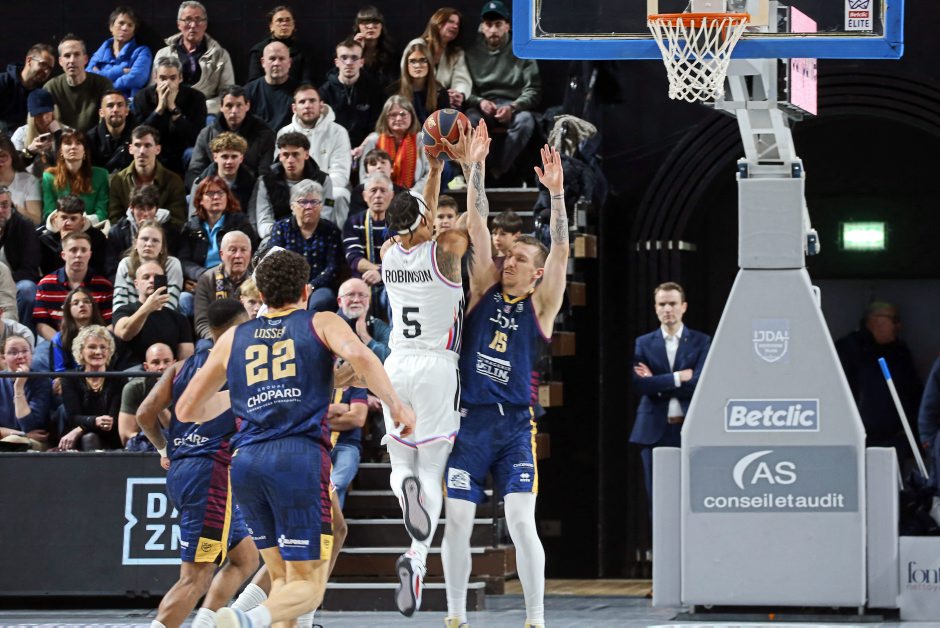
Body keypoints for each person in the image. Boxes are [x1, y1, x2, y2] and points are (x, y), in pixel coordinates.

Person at [175, 249, 415, 628]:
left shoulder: (235, 336)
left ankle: (252, 617)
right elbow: (362, 356)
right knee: (308, 587)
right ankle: (244, 619)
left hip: (247, 463)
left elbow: (188, 410)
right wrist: (397, 406)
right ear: (306, 290)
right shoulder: (321, 321)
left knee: (283, 579)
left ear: (261, 295)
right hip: (297, 458)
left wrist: (253, 391)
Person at [441, 132, 569, 628]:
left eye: (519, 259)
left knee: (520, 520)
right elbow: (476, 222)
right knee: (458, 521)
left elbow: (560, 248)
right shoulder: (482, 287)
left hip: (516, 427)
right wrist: (475, 168)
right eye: (509, 255)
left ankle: (536, 618)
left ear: (536, 274)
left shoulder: (542, 305)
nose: (509, 260)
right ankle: (455, 616)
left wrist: (556, 195)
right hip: (470, 425)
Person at [375, 144, 470, 616]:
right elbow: (467, 222)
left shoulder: (387, 252)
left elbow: (420, 214)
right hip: (436, 365)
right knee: (432, 471)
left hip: (396, 366)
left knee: (401, 463)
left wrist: (433, 170)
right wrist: (469, 166)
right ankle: (416, 557)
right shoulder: (448, 251)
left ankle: (414, 547)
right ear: (423, 223)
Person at [136, 299, 259, 628]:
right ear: (239, 328)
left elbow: (144, 414)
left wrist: (164, 448)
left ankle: (205, 624)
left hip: (181, 470)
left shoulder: (181, 367)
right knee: (196, 576)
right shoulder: (244, 366)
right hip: (211, 473)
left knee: (246, 557)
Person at [630, 282, 711, 503]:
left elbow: (698, 385)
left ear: (683, 306)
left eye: (673, 303)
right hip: (653, 429)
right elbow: (640, 385)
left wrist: (656, 382)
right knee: (657, 498)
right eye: (662, 304)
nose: (667, 309)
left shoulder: (701, 341)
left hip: (689, 427)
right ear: (655, 308)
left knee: (692, 497)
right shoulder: (643, 343)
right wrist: (677, 377)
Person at [464, 0, 541, 182]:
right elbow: (466, 89)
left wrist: (513, 107)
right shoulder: (471, 54)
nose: (493, 30)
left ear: (507, 26)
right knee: (469, 121)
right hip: (484, 105)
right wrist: (480, 102)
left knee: (526, 121)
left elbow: (534, 89)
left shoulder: (521, 51)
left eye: (498, 24)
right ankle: (483, 169)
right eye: (488, 24)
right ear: (482, 27)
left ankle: (499, 169)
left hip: (514, 105)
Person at [836, 301, 922, 453]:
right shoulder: (848, 349)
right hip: (858, 440)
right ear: (876, 320)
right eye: (894, 320)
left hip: (895, 440)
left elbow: (914, 393)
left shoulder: (899, 352)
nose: (898, 326)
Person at [276, 85, 352, 227]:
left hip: (327, 192)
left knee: (339, 194)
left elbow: (341, 174)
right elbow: (279, 169)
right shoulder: (284, 133)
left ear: (321, 105)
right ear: (294, 108)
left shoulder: (338, 132)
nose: (307, 106)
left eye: (312, 101)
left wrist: (314, 193)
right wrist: (302, 193)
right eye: (302, 102)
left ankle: (338, 237)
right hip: (294, 191)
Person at [268, 180, 343, 313]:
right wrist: (294, 286)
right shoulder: (281, 228)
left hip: (320, 287)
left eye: (314, 202)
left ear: (321, 206)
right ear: (292, 206)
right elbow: (275, 261)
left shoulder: (330, 230)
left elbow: (333, 267)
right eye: (303, 202)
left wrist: (312, 286)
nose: (309, 206)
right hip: (287, 286)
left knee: (321, 302)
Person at [153, 1, 235, 116]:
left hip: (206, 112)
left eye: (198, 20)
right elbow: (152, 89)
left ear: (205, 24)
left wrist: (199, 107)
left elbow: (227, 94)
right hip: (169, 109)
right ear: (179, 24)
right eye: (187, 20)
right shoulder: (163, 54)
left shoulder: (220, 55)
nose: (192, 25)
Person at [186, 85, 275, 190]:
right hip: (212, 189)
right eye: (229, 105)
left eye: (239, 105)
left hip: (249, 190)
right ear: (221, 107)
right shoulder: (207, 134)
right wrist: (203, 190)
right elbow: (195, 169)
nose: (234, 111)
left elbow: (264, 173)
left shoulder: (264, 133)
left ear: (247, 106)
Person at [112, 261, 194, 370]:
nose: (151, 280)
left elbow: (186, 360)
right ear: (136, 284)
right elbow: (124, 333)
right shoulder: (124, 310)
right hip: (132, 373)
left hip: (167, 372)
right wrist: (147, 307)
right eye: (146, 277)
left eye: (156, 277)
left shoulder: (179, 319)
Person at [252, 132, 334, 240]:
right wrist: (284, 232)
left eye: (295, 154)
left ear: (306, 154)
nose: (290, 160)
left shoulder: (323, 180)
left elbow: (326, 214)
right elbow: (263, 221)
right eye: (285, 155)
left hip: (314, 234)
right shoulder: (266, 181)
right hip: (277, 235)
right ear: (280, 156)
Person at [34, 230, 113, 341]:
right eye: (73, 250)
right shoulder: (46, 284)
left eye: (84, 250)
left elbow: (110, 324)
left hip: (94, 342)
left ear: (90, 255)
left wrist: (88, 343)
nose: (79, 255)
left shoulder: (104, 286)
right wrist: (61, 343)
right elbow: (41, 324)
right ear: (63, 255)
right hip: (57, 341)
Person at [134, 57, 208, 176]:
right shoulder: (142, 97)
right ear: (155, 77)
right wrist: (159, 109)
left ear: (180, 78)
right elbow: (140, 135)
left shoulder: (196, 98)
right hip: (155, 149)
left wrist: (173, 109)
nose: (167, 83)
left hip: (183, 149)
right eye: (163, 78)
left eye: (172, 78)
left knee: (192, 153)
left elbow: (197, 137)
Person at [178, 177, 258, 286]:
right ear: (200, 200)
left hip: (234, 280)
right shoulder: (191, 227)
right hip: (202, 280)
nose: (216, 197)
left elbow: (253, 253)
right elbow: (184, 261)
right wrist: (203, 275)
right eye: (210, 193)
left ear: (227, 197)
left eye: (220, 193)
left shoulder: (240, 223)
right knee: (184, 296)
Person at [107, 126, 188, 230]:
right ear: (130, 149)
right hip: (128, 236)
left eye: (147, 145)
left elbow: (177, 221)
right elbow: (115, 220)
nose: (142, 151)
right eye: (137, 145)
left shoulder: (174, 181)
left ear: (158, 149)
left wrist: (151, 232)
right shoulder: (119, 180)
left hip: (163, 237)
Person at [58, 324, 124, 451]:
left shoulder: (118, 378)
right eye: (92, 347)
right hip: (78, 438)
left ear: (109, 351)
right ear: (81, 351)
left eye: (103, 347)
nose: (98, 352)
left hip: (110, 436)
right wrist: (95, 421)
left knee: (90, 438)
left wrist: (81, 428)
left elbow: (111, 420)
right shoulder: (70, 378)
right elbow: (73, 417)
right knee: (88, 438)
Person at [319, 38, 384, 151]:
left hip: (366, 148)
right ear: (337, 62)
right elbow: (321, 129)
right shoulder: (324, 92)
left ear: (361, 62)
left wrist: (363, 147)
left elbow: (378, 126)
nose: (349, 63)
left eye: (354, 58)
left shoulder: (374, 89)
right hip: (333, 148)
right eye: (344, 58)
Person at [343, 172, 393, 314]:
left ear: (392, 195)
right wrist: (379, 271)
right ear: (365, 196)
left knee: (392, 299)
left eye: (383, 190)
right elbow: (354, 259)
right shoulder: (353, 222)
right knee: (344, 315)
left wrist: (382, 274)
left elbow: (404, 260)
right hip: (361, 282)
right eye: (373, 190)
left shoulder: (400, 224)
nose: (378, 195)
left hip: (392, 282)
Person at [193, 231, 252, 349]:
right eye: (233, 250)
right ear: (221, 254)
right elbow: (202, 323)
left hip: (250, 337)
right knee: (203, 346)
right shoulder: (207, 279)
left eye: (243, 250)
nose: (238, 255)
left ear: (250, 254)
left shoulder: (256, 280)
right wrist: (220, 340)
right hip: (216, 339)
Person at [357, 96, 429, 192]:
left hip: (413, 195)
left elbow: (430, 174)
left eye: (403, 114)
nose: (398, 118)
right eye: (393, 115)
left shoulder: (422, 140)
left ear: (411, 116)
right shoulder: (373, 140)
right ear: (385, 118)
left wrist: (411, 193)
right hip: (378, 195)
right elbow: (363, 176)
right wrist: (378, 192)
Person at [44, 34, 114, 133]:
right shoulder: (51, 88)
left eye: (76, 55)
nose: (72, 60)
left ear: (85, 59)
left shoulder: (103, 84)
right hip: (63, 140)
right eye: (67, 56)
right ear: (60, 61)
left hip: (94, 139)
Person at [86, 6, 153, 104]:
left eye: (130, 25)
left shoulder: (142, 52)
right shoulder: (100, 52)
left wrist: (104, 85)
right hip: (100, 105)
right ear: (111, 27)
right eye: (121, 23)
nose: (125, 28)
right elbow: (88, 77)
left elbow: (138, 78)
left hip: (128, 106)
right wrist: (120, 71)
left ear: (134, 31)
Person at [106, 186, 174, 280]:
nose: (145, 214)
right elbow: (111, 268)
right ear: (131, 208)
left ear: (156, 209)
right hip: (127, 281)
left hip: (160, 281)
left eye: (150, 208)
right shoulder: (117, 232)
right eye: (140, 208)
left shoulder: (169, 232)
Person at [112, 221, 183, 311]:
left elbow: (169, 306)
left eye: (155, 240)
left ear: (162, 247)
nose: (149, 244)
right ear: (135, 243)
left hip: (162, 317)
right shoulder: (126, 264)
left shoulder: (172, 264)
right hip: (130, 317)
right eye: (144, 239)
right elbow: (119, 305)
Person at [41, 130, 109, 222]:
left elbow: (102, 212)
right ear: (61, 150)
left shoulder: (101, 175)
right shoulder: (48, 177)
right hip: (60, 226)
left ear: (84, 150)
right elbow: (49, 212)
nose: (73, 147)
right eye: (68, 143)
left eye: (78, 143)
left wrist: (82, 222)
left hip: (91, 226)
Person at [117, 342, 174, 448]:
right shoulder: (134, 388)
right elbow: (125, 435)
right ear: (146, 367)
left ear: (174, 364)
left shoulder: (185, 387)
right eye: (155, 363)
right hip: (145, 445)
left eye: (166, 361)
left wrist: (158, 405)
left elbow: (180, 434)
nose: (162, 367)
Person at [0, 184, 42, 326]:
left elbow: (30, 270)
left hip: (15, 282)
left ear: (11, 205)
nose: (1, 210)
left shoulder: (24, 226)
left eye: (4, 205)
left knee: (27, 289)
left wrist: (5, 283)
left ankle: (23, 335)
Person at [38, 194, 109, 276]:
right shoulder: (45, 241)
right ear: (56, 217)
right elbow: (48, 271)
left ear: (82, 220)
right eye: (64, 218)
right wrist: (64, 242)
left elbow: (100, 269)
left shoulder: (96, 238)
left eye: (73, 219)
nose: (68, 223)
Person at [0, 335, 51, 448]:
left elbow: (29, 426)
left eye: (24, 351)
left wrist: (19, 387)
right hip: (8, 438)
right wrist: (23, 434)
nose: (20, 356)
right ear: (3, 358)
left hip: (35, 442)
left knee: (13, 440)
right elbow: (27, 432)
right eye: (13, 352)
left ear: (31, 354)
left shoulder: (42, 380)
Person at [189, 132, 256, 218]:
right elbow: (194, 216)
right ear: (215, 157)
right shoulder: (200, 182)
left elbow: (252, 217)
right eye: (224, 156)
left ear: (241, 158)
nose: (229, 162)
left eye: (234, 156)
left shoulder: (251, 183)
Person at [47, 286, 107, 375]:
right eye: (76, 303)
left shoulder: (106, 336)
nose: (82, 305)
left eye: (86, 301)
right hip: (70, 381)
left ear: (93, 307)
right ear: (68, 310)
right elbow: (58, 374)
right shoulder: (59, 339)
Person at [421, 8, 473, 110]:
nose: (455, 26)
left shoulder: (457, 53)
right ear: (437, 22)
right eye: (451, 22)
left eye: (457, 24)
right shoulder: (417, 47)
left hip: (444, 103)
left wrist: (457, 95)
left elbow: (461, 80)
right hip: (420, 100)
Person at [0, 43, 55, 133]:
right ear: (29, 61)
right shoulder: (3, 81)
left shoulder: (43, 92)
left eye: (49, 68)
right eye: (43, 64)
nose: (46, 71)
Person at [328, 385, 368, 508]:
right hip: (316, 444)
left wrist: (317, 420)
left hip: (347, 445)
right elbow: (301, 415)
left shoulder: (356, 385)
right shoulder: (312, 382)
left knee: (336, 484)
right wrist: (340, 408)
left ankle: (329, 520)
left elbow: (358, 419)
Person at [248, 5, 310, 83]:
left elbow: (308, 81)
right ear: (271, 26)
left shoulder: (304, 50)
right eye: (280, 20)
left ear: (293, 25)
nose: (284, 24)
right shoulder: (259, 51)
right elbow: (254, 82)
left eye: (288, 20)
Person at [244, 42, 299, 132]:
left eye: (281, 59)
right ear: (263, 62)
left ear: (289, 62)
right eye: (272, 59)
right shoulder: (248, 92)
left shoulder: (300, 93)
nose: (276, 63)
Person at [392, 39, 449, 125]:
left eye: (422, 60)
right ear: (406, 65)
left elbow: (445, 125)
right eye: (412, 61)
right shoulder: (394, 91)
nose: (418, 65)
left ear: (429, 64)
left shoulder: (440, 92)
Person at [12, 88, 65, 176]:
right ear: (31, 116)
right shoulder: (21, 134)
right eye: (38, 114)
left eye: (47, 113)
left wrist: (58, 135)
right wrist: (29, 151)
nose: (44, 118)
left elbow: (69, 164)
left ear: (53, 111)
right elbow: (14, 166)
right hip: (29, 180)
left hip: (59, 180)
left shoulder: (66, 132)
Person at [337, 277, 390, 363]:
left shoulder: (379, 326)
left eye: (362, 295)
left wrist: (365, 337)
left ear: (368, 300)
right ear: (340, 301)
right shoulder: (329, 326)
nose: (356, 300)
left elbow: (390, 359)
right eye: (350, 295)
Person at [350, 6, 399, 89]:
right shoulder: (346, 50)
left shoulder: (391, 53)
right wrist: (355, 51)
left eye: (375, 22)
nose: (370, 26)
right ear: (358, 26)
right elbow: (339, 78)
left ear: (381, 27)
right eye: (365, 22)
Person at [87, 90, 135, 173]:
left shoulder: (138, 136)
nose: (115, 109)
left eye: (120, 105)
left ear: (127, 111)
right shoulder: (90, 139)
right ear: (101, 113)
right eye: (110, 106)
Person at [349, 148, 405, 217]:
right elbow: (355, 218)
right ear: (366, 172)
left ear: (392, 168)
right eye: (373, 164)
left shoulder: (403, 193)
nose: (379, 166)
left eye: (383, 162)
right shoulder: (358, 191)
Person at [0, 133, 42, 225]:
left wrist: (12, 207)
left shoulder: (29, 181)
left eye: (3, 156)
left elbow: (36, 221)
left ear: (12, 156)